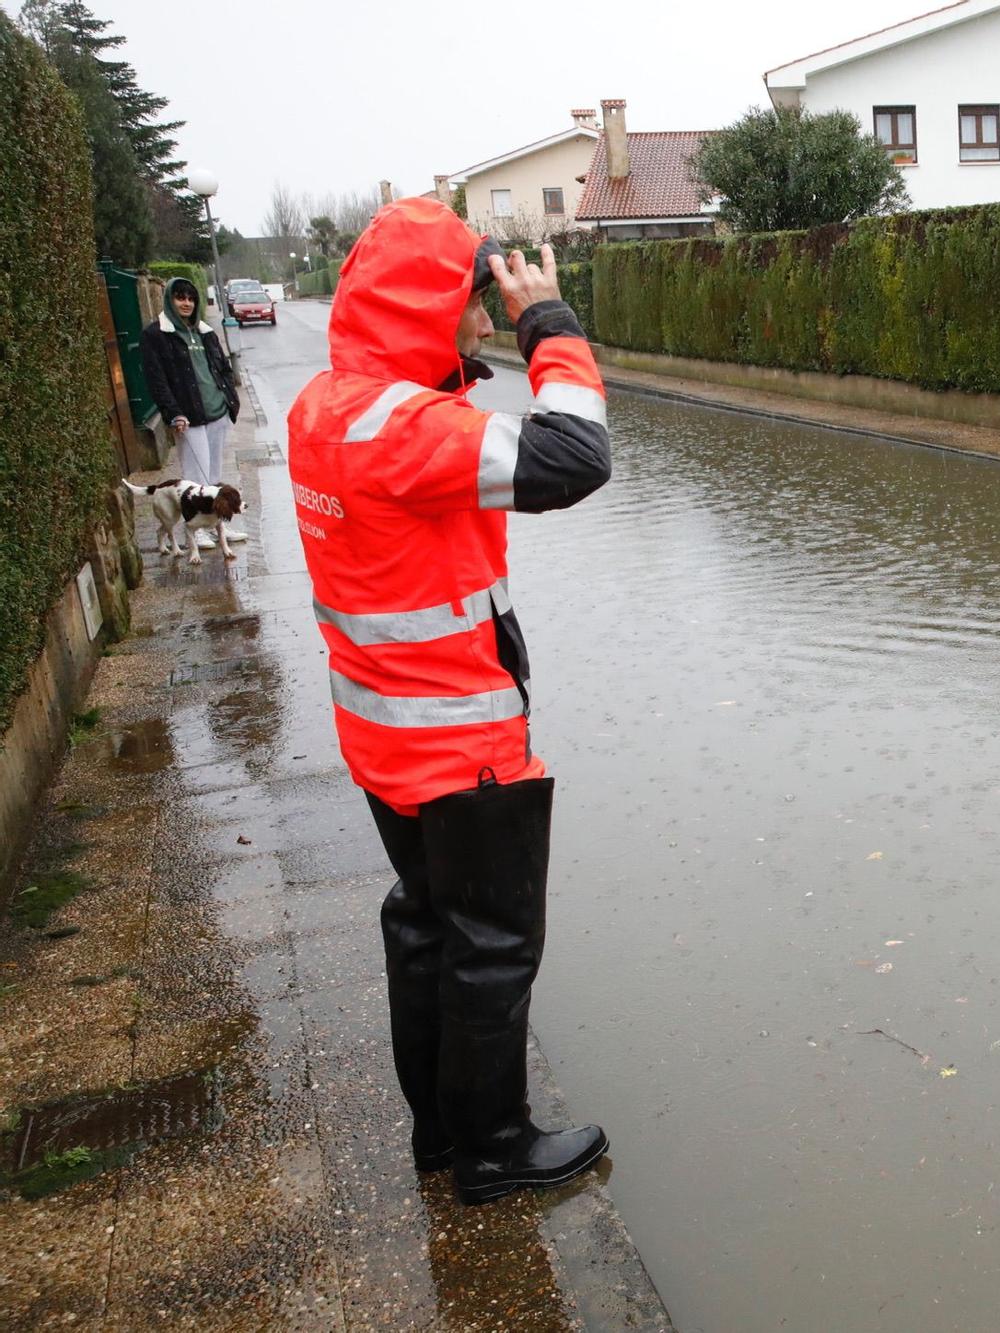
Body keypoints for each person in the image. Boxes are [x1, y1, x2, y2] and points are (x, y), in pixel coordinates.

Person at [286, 196, 614, 1205]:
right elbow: (574, 457)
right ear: (428, 306)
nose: (480, 321)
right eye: (471, 304)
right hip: (463, 748)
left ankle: (439, 1131)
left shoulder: (322, 407)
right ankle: (493, 1147)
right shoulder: (409, 431)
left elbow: (426, 423)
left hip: (381, 739)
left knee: (424, 925)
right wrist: (547, 325)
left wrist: (461, 357)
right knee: (493, 949)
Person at [140, 276, 241, 548]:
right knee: (195, 478)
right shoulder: (155, 336)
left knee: (214, 476)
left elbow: (221, 367)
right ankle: (195, 529)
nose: (186, 303)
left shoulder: (205, 331)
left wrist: (229, 398)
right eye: (180, 297)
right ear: (170, 300)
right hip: (188, 417)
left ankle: (218, 523)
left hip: (217, 412)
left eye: (190, 298)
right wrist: (173, 412)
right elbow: (156, 380)